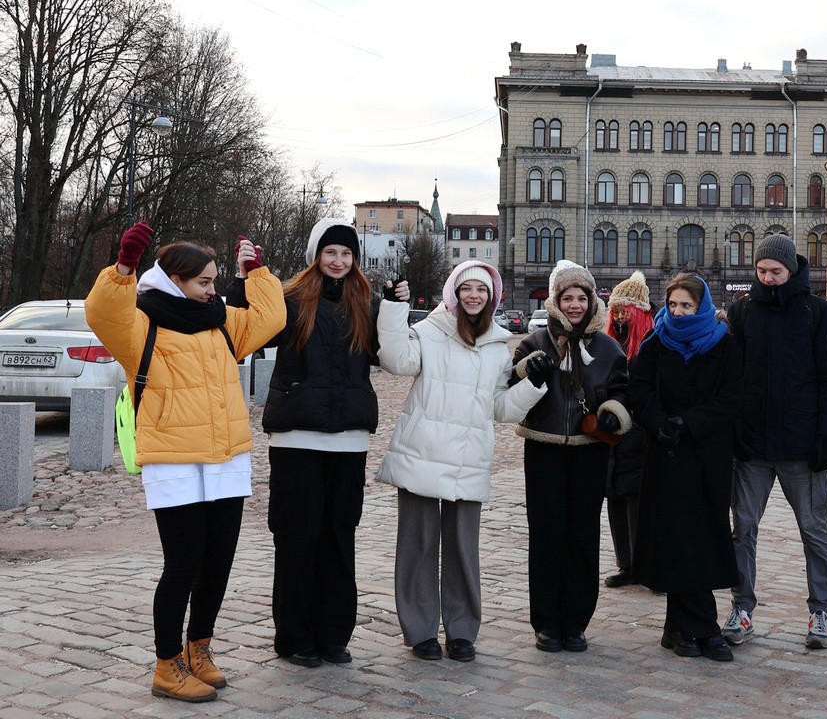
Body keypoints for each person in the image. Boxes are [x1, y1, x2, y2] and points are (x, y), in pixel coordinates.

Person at [85, 223, 285, 703]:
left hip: (226, 456)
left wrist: (254, 273)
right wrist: (123, 270)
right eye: (204, 282)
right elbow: (102, 313)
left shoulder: (220, 318)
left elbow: (271, 318)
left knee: (218, 563)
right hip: (174, 460)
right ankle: (166, 663)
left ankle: (200, 649)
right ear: (174, 279)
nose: (214, 290)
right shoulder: (141, 322)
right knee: (183, 566)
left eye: (217, 280)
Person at [375, 261, 550, 663]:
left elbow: (500, 408)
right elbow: (397, 361)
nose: (474, 296)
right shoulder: (429, 331)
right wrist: (392, 308)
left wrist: (534, 386)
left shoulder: (496, 346)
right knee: (417, 547)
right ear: (453, 292)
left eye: (482, 290)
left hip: (469, 457)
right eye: (467, 288)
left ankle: (461, 630)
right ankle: (420, 631)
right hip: (424, 451)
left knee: (462, 549)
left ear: (492, 297)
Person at [226, 218, 379, 668]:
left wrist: (396, 305)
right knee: (297, 539)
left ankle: (334, 636)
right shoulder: (289, 298)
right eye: (330, 253)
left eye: (346, 254)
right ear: (317, 256)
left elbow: (386, 353)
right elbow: (243, 328)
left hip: (349, 441)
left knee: (339, 540)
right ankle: (295, 637)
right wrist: (243, 277)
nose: (338, 261)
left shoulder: (365, 303)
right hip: (297, 439)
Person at [724, 234, 827, 649]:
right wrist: (735, 431)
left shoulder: (817, 311)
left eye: (775, 272)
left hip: (802, 446)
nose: (768, 278)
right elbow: (733, 378)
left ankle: (821, 612)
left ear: (791, 270)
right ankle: (742, 608)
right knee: (743, 529)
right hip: (753, 446)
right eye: (761, 271)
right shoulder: (742, 312)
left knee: (814, 530)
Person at [511, 260, 632, 653]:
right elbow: (510, 383)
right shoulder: (536, 342)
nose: (576, 304)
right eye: (568, 297)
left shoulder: (608, 346)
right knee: (546, 535)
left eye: (582, 297)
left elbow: (621, 390)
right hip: (543, 446)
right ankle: (546, 622)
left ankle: (575, 622)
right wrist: (531, 371)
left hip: (589, 450)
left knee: (582, 534)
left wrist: (615, 414)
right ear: (556, 300)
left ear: (591, 299)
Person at [629, 273, 743, 662]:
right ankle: (695, 627)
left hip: (707, 452)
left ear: (702, 306)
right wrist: (659, 420)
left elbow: (733, 397)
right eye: (673, 305)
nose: (677, 312)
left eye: (686, 306)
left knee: (705, 537)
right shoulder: (656, 342)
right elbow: (639, 389)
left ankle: (688, 627)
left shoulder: (723, 345)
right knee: (675, 538)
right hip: (666, 454)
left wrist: (691, 422)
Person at [601, 270, 655, 589]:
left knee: (639, 502)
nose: (620, 317)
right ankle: (626, 564)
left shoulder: (649, 344)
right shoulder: (609, 344)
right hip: (612, 434)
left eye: (625, 311)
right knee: (616, 498)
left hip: (640, 432)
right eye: (616, 310)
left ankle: (645, 564)